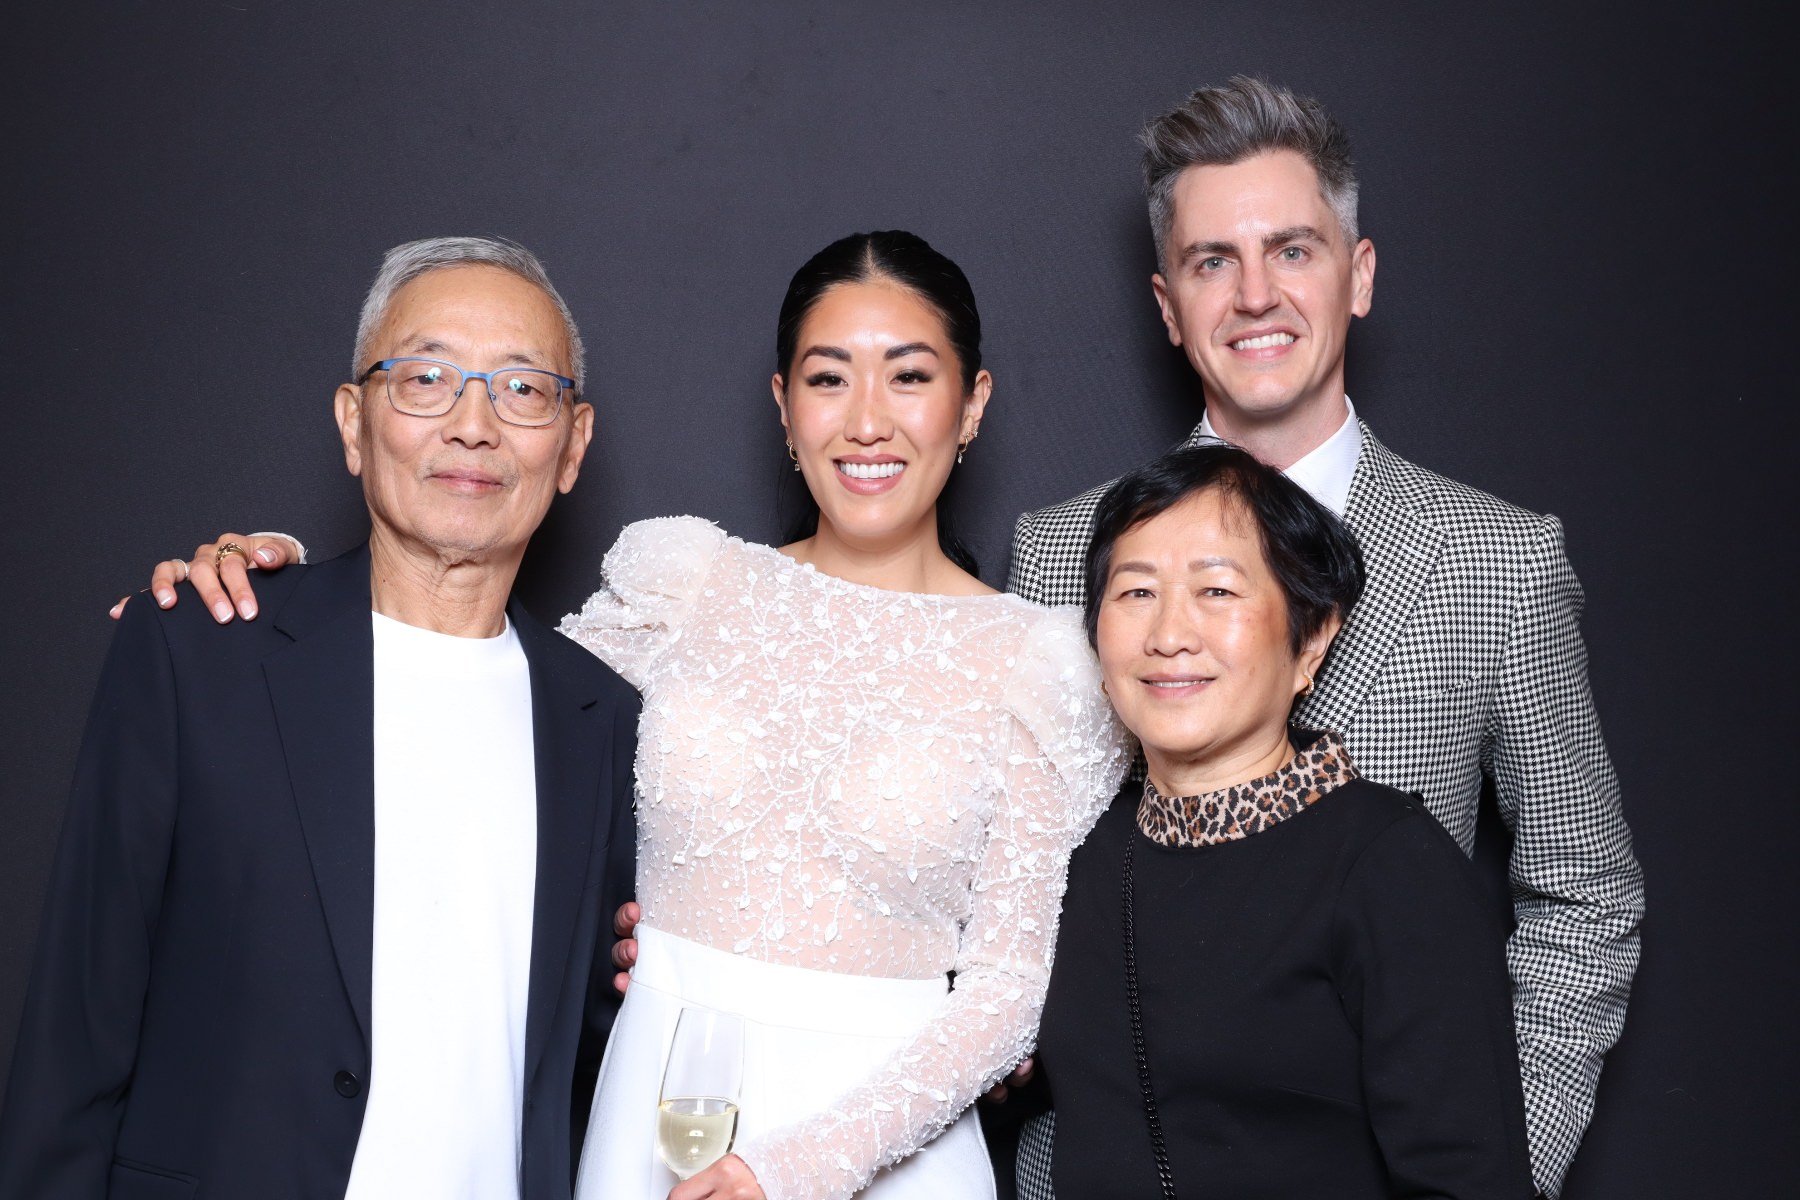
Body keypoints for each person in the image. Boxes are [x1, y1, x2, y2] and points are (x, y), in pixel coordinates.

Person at [121, 231, 1131, 1200]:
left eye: (909, 376)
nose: (867, 419)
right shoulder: (688, 587)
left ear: (972, 404)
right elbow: (464, 677)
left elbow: (1008, 991)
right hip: (658, 1117)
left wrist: (799, 1173)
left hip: (887, 1151)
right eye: (828, 378)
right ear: (784, 408)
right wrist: (279, 590)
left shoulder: (1038, 663)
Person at [1005, 77, 1643, 1199]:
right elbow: (995, 871)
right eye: (1212, 262)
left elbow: (1584, 894)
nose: (1255, 295)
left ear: (1358, 276)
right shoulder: (1062, 556)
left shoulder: (1498, 562)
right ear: (1167, 304)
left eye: (1293, 250)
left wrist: (1487, 1150)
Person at [0, 237, 641, 1199]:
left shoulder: (608, 724)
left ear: (572, 445)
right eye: (424, 377)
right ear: (353, 423)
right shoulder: (199, 650)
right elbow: (73, 1037)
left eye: (521, 390)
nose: (473, 425)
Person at [1037, 443, 1533, 1198]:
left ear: (1311, 637)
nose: (1170, 635)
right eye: (1135, 593)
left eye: (1218, 592)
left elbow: (1467, 1176)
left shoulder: (1390, 865)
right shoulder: (1077, 854)